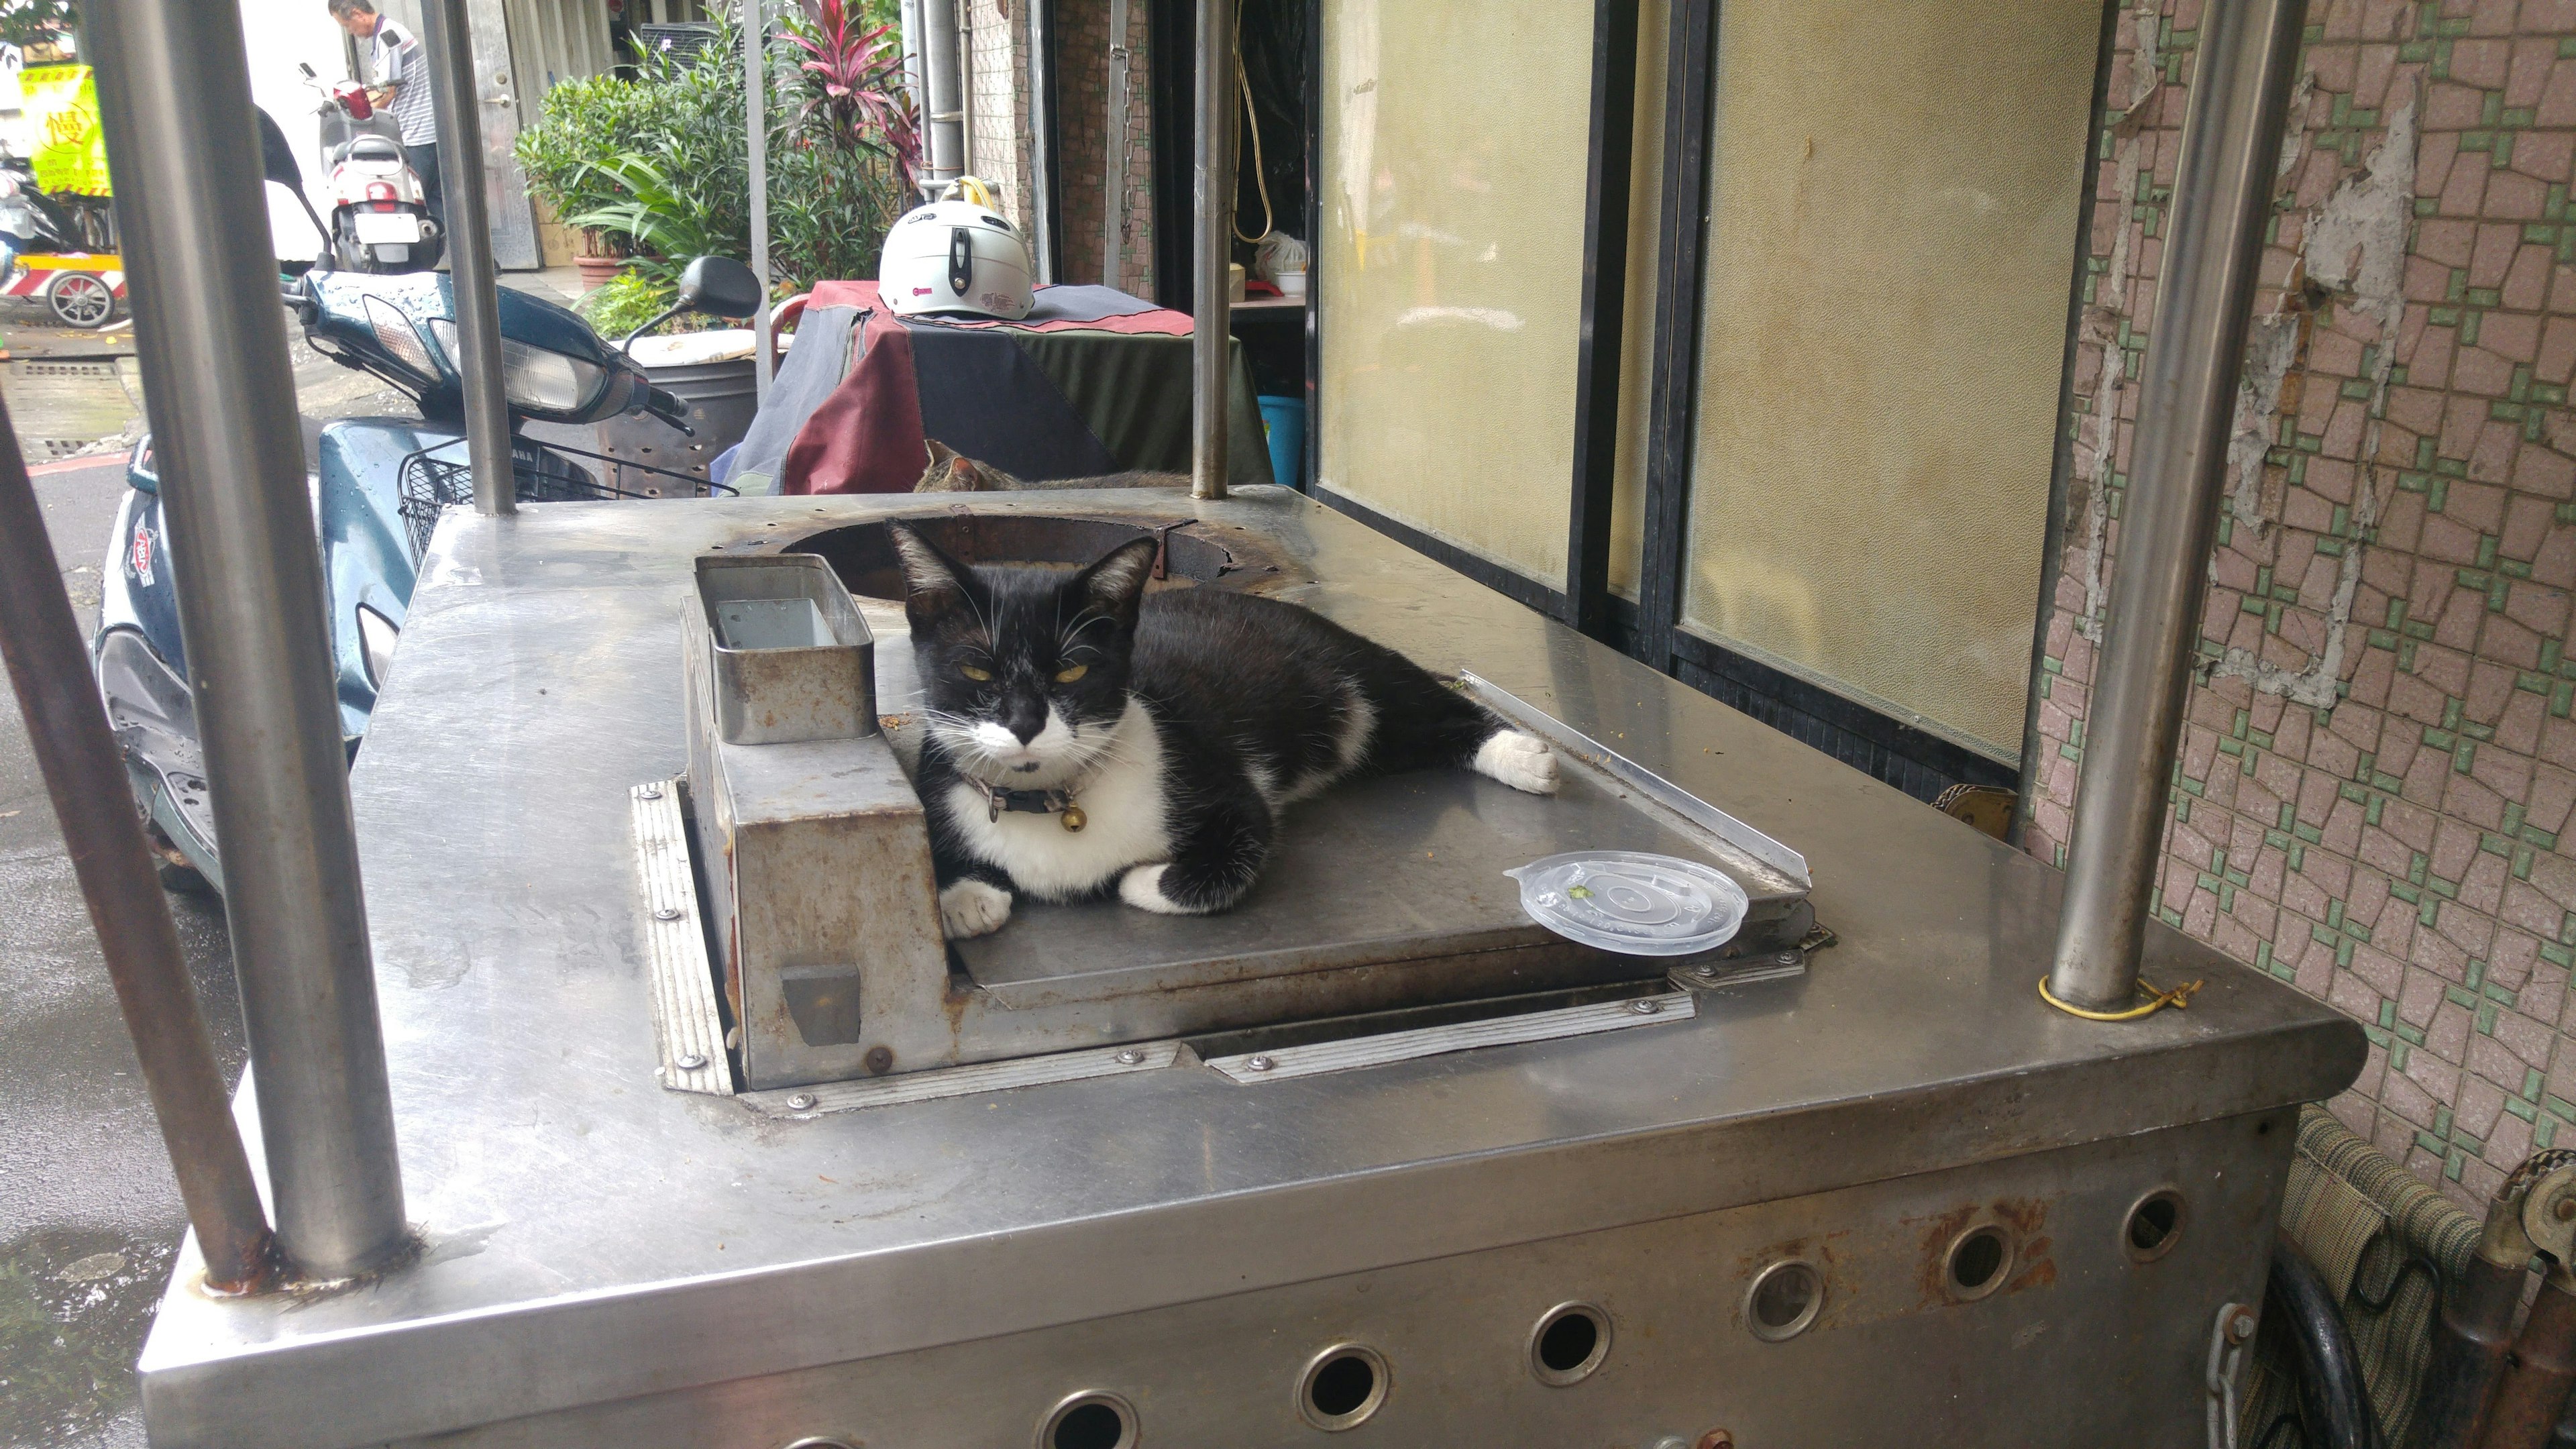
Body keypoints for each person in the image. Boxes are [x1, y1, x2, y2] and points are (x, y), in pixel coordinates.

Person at [325, 0, 443, 230]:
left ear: (358, 14)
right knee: (439, 204)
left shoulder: (388, 37)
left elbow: (387, 93)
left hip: (417, 135)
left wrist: (357, 110)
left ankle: (403, 263)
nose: (352, 33)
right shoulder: (385, 34)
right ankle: (482, 263)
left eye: (348, 26)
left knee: (407, 203)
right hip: (424, 132)